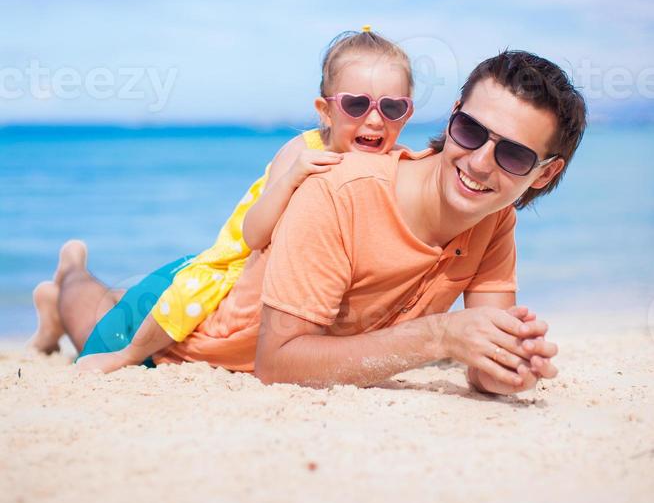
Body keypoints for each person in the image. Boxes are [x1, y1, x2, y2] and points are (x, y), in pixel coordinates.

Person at [35, 49, 586, 396]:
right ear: (452, 118)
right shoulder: (338, 190)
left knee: (112, 300)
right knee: (94, 316)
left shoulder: (494, 221)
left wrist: (506, 360)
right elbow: (277, 363)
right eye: (470, 131)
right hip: (195, 327)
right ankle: (67, 278)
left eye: (513, 155)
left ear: (544, 174)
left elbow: (482, 357)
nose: (480, 161)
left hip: (251, 283)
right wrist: (440, 335)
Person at [31, 27, 415, 370]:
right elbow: (253, 235)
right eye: (356, 104)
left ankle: (55, 306)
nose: (376, 120)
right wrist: (291, 179)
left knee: (124, 304)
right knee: (101, 337)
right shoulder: (301, 152)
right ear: (326, 111)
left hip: (233, 304)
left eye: (393, 107)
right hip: (214, 278)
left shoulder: (392, 168)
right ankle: (69, 276)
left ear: (408, 113)